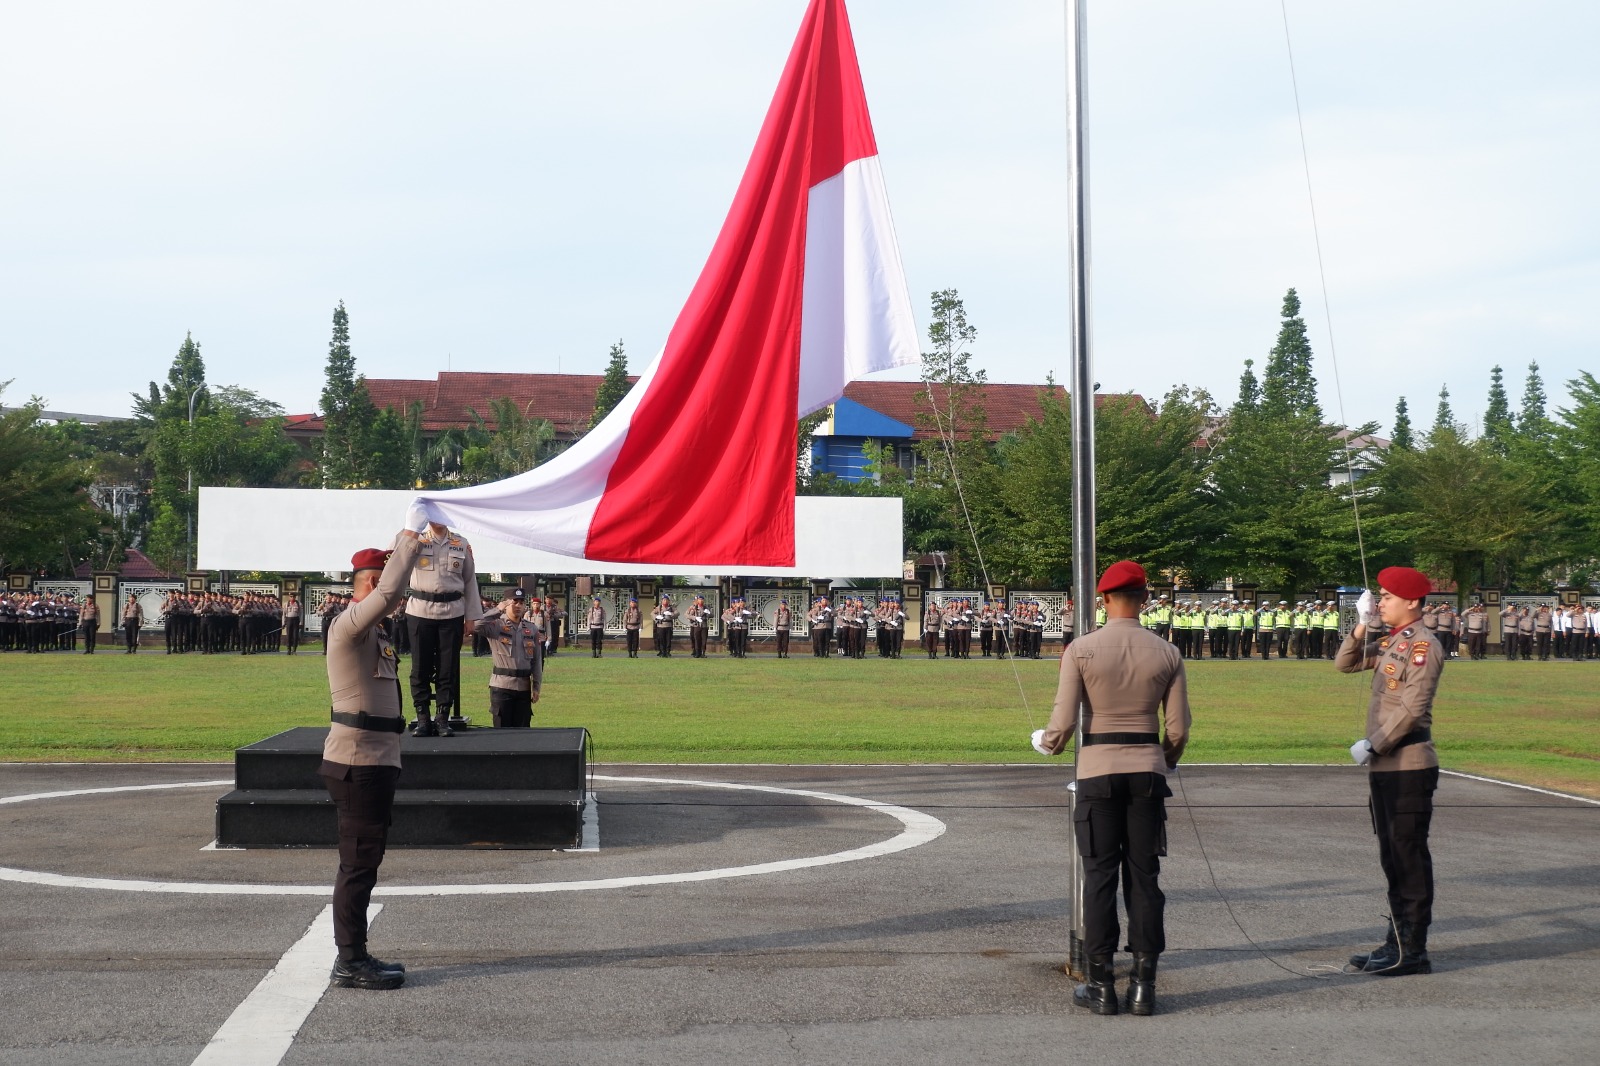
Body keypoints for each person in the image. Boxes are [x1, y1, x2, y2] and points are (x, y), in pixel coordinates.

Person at [1032, 560, 1189, 1016]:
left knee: (1099, 877)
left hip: (1098, 770)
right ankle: (1143, 984)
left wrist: (1047, 743)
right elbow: (1178, 728)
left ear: (1103, 600)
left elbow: (1063, 722)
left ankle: (1101, 984)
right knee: (1144, 877)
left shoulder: (1081, 649)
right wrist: (1165, 760)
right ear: (1145, 599)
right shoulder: (1167, 652)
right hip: (1147, 771)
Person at [321, 504, 424, 991]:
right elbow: (390, 593)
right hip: (357, 761)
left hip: (377, 760)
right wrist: (410, 536)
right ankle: (350, 961)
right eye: (382, 582)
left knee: (366, 861)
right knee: (358, 864)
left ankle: (356, 953)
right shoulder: (348, 625)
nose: (395, 598)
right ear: (369, 583)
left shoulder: (375, 634)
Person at [1337, 566, 1443, 977]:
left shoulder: (1422, 645)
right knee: (1392, 855)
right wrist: (1362, 625)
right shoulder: (1392, 641)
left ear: (1412, 601)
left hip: (1408, 765)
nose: (1380, 602)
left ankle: (1413, 950)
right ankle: (1397, 942)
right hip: (1386, 765)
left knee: (1408, 856)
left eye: (1387, 597)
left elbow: (1413, 708)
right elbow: (1345, 663)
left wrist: (1374, 743)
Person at [403, 520, 483, 738]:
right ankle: (422, 717)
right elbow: (395, 561)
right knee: (420, 667)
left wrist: (471, 616)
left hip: (452, 612)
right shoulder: (415, 539)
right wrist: (410, 529)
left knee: (448, 668)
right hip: (420, 611)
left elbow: (470, 581)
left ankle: (442, 718)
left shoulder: (461, 543)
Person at [480, 588, 543, 727]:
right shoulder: (496, 625)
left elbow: (537, 660)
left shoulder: (531, 629)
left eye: (521, 602)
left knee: (522, 732)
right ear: (506, 604)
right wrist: (497, 609)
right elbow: (476, 625)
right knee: (502, 732)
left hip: (524, 688)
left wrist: (536, 686)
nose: (518, 605)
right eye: (514, 602)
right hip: (502, 687)